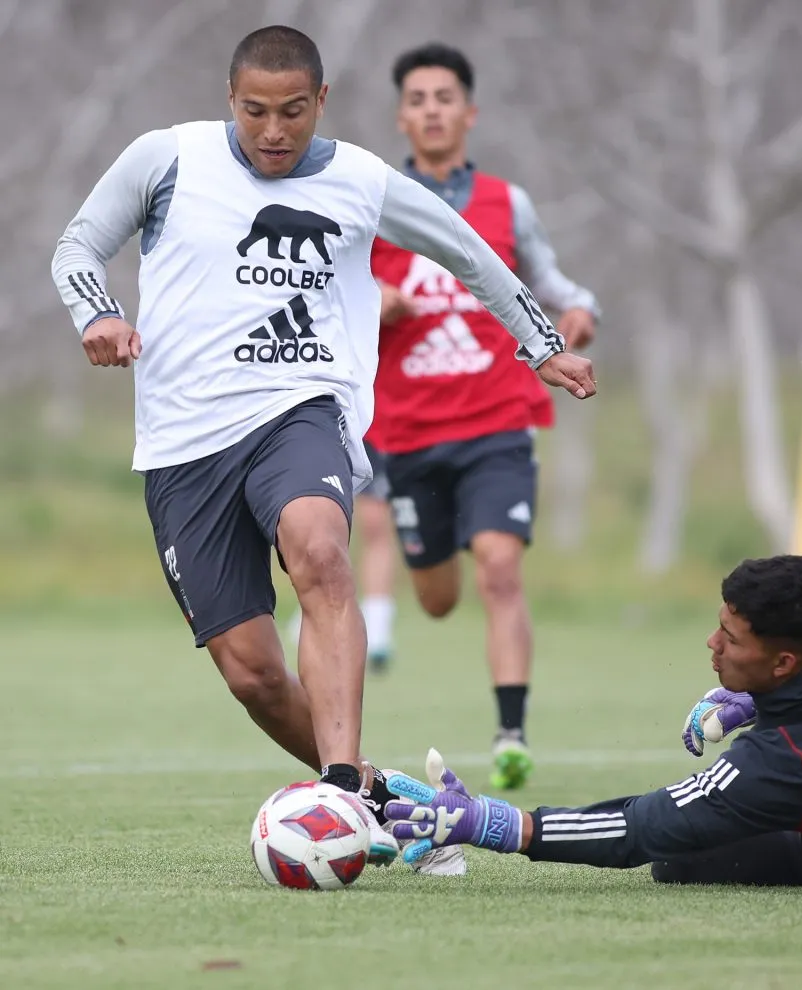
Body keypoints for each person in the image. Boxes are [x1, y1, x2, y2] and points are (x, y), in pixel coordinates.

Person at [50, 25, 595, 876]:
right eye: (256, 112)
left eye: (293, 113)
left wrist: (539, 342)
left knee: (319, 548)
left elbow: (465, 250)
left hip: (303, 410)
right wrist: (99, 316)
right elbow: (78, 244)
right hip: (184, 443)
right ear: (230, 99)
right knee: (252, 674)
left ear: (323, 102)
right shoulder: (167, 158)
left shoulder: (361, 179)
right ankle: (388, 804)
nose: (274, 131)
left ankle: (338, 791)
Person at [383, 555, 802, 890]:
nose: (711, 644)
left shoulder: (784, 762)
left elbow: (641, 828)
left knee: (681, 858)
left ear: (786, 660)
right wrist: (759, 699)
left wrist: (494, 823)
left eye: (731, 636)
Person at [368, 42, 601, 790]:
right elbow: (326, 291)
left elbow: (557, 283)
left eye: (445, 97)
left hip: (499, 420)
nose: (431, 109)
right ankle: (430, 565)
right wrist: (372, 302)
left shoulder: (509, 203)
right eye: (417, 98)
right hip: (406, 432)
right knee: (437, 599)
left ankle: (511, 732)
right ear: (401, 116)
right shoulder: (368, 201)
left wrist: (578, 312)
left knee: (501, 567)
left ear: (469, 112)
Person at [288, 438, 397, 674]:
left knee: (375, 522)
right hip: (324, 420)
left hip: (371, 426)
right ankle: (311, 609)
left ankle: (378, 628)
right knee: (321, 521)